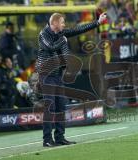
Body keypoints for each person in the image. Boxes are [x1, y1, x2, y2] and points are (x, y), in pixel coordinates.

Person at [37, 12, 107, 147]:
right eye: (62, 22)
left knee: (60, 105)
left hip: (57, 74)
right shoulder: (43, 34)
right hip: (46, 75)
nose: (64, 24)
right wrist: (63, 40)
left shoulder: (60, 33)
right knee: (50, 106)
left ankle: (59, 137)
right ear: (55, 23)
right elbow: (50, 47)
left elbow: (78, 29)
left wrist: (97, 22)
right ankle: (47, 139)